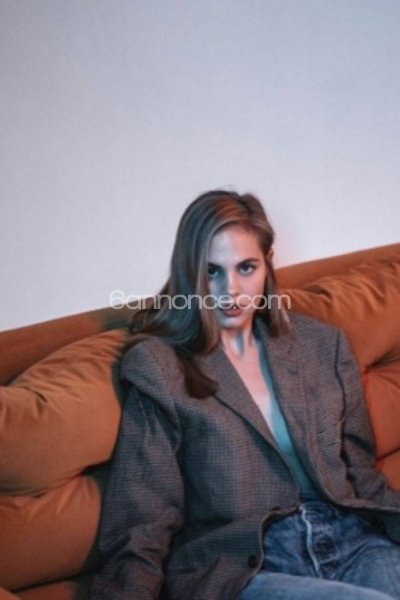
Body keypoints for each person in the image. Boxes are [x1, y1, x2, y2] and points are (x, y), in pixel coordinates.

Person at [90, 190, 400, 600]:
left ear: (267, 264)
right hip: (245, 564)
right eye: (212, 272)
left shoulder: (323, 346)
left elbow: (362, 477)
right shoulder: (159, 367)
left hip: (351, 539)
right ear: (189, 272)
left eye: (246, 267)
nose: (231, 290)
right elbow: (142, 518)